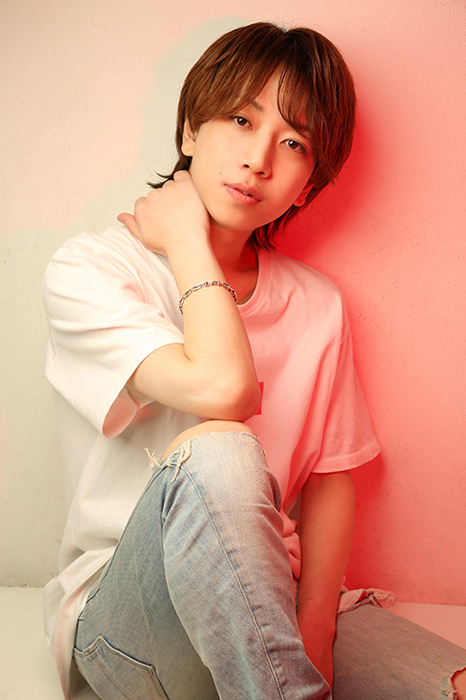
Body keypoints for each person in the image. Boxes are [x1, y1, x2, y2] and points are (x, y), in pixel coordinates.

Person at [43, 21, 466, 700]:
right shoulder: (92, 271)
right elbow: (225, 390)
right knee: (219, 448)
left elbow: (329, 479)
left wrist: (318, 623)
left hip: (271, 597)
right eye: (241, 119)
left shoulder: (317, 304)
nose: (259, 159)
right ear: (190, 130)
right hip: (128, 622)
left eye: (294, 142)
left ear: (307, 185)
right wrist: (188, 242)